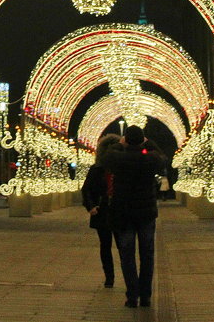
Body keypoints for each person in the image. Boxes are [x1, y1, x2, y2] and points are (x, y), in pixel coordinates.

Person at [106, 125, 167, 308]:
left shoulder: (119, 158)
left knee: (127, 255)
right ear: (142, 140)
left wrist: (119, 144)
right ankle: (146, 295)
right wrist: (148, 143)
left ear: (125, 139)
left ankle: (132, 295)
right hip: (146, 213)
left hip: (124, 212)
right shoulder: (149, 159)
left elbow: (106, 156)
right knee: (147, 254)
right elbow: (162, 157)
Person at [80, 133, 121, 288]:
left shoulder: (121, 168)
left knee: (122, 246)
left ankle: (125, 276)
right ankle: (109, 277)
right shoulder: (96, 169)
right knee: (106, 245)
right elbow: (86, 190)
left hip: (118, 211)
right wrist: (91, 207)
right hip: (102, 210)